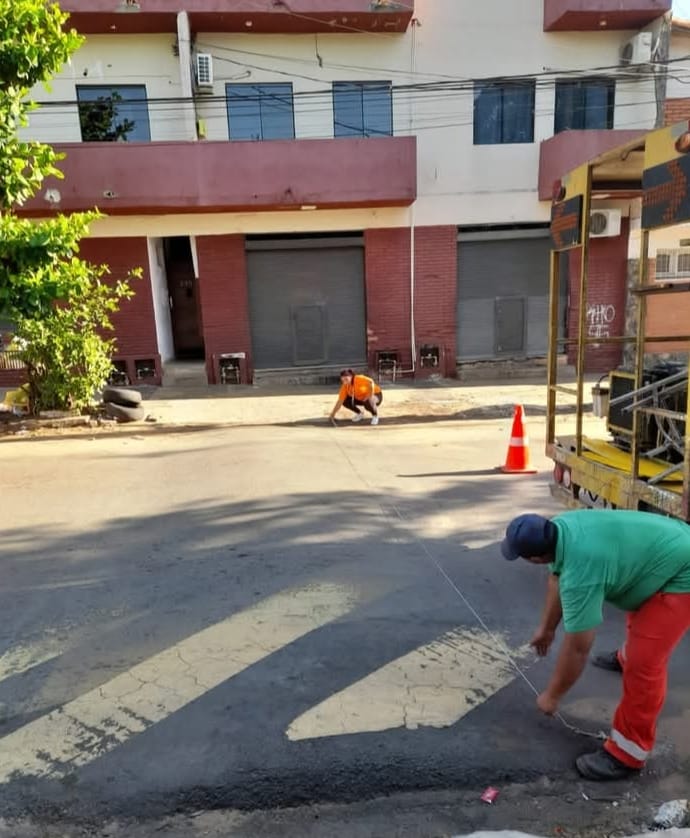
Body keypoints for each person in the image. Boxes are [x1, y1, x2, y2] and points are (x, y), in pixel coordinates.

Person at [501, 509, 690, 781]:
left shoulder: (581, 573)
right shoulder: (560, 528)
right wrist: (546, 629)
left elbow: (579, 647)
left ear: (535, 558)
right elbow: (556, 577)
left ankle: (627, 754)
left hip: (682, 573)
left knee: (645, 665)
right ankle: (627, 657)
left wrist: (552, 696)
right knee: (640, 626)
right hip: (666, 549)